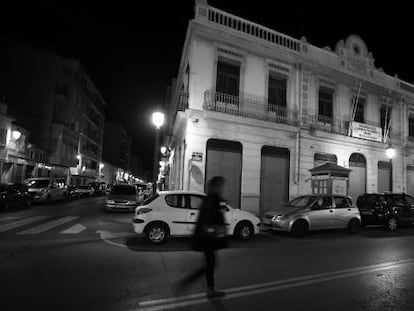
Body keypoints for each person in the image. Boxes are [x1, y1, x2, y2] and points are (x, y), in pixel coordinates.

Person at [177, 176, 228, 298]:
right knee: (211, 264)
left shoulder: (211, 199)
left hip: (207, 238)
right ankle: (191, 283)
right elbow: (207, 221)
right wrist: (214, 231)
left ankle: (209, 289)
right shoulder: (211, 200)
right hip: (207, 239)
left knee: (210, 264)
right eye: (220, 186)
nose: (222, 188)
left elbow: (219, 213)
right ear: (214, 187)